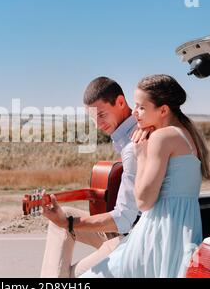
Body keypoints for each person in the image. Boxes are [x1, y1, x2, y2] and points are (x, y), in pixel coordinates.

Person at [80, 74, 210, 278]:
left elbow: (143, 201)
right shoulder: (187, 134)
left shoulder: (162, 137)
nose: (135, 112)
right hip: (182, 232)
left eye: (141, 107)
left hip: (157, 233)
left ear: (163, 110)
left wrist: (141, 155)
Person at [40, 76, 140, 278]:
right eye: (93, 118)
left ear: (121, 102)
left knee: (72, 276)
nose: (98, 124)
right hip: (121, 228)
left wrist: (68, 223)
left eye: (101, 115)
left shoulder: (134, 142)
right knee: (64, 214)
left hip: (132, 237)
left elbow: (125, 219)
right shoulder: (126, 134)